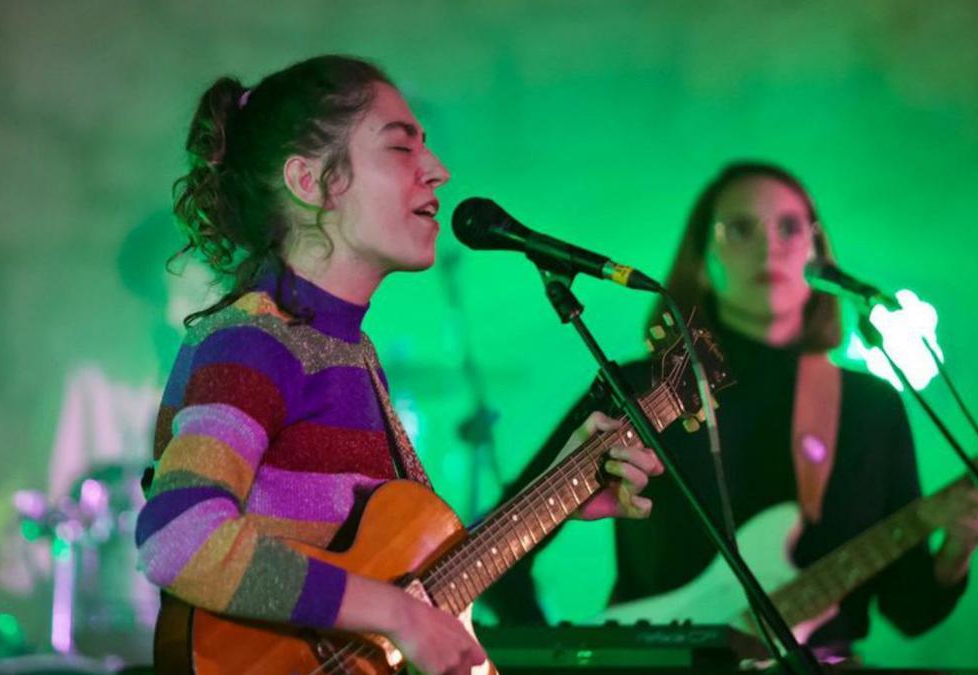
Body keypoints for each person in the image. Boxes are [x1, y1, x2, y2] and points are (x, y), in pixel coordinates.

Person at [133, 55, 662, 675]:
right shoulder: (254, 342)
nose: (437, 172)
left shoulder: (348, 351)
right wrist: (397, 614)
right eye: (401, 149)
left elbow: (418, 575)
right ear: (311, 182)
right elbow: (178, 534)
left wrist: (564, 491)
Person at [481, 161, 978, 660]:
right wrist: (562, 657)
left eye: (790, 228)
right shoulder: (643, 387)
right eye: (740, 229)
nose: (769, 246)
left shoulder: (871, 405)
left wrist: (956, 549)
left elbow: (909, 612)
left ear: (817, 250)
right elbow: (498, 553)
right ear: (702, 258)